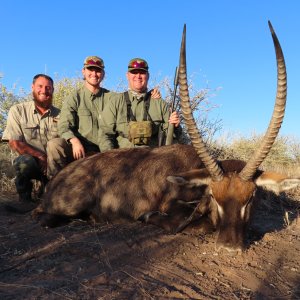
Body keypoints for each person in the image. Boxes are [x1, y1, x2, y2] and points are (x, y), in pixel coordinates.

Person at [98, 58, 181, 151]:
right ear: (127, 75)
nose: (138, 76)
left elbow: (173, 136)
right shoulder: (115, 102)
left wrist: (176, 126)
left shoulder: (160, 104)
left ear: (148, 76)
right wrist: (110, 158)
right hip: (122, 160)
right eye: (134, 72)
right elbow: (105, 134)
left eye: (142, 72)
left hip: (153, 160)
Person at [2, 74, 60, 202]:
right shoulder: (17, 110)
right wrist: (41, 157)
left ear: (52, 90)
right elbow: (14, 143)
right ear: (32, 87)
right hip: (34, 162)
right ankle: (25, 198)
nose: (44, 91)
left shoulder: (61, 114)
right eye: (40, 86)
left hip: (55, 165)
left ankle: (47, 190)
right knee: (23, 162)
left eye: (48, 88)